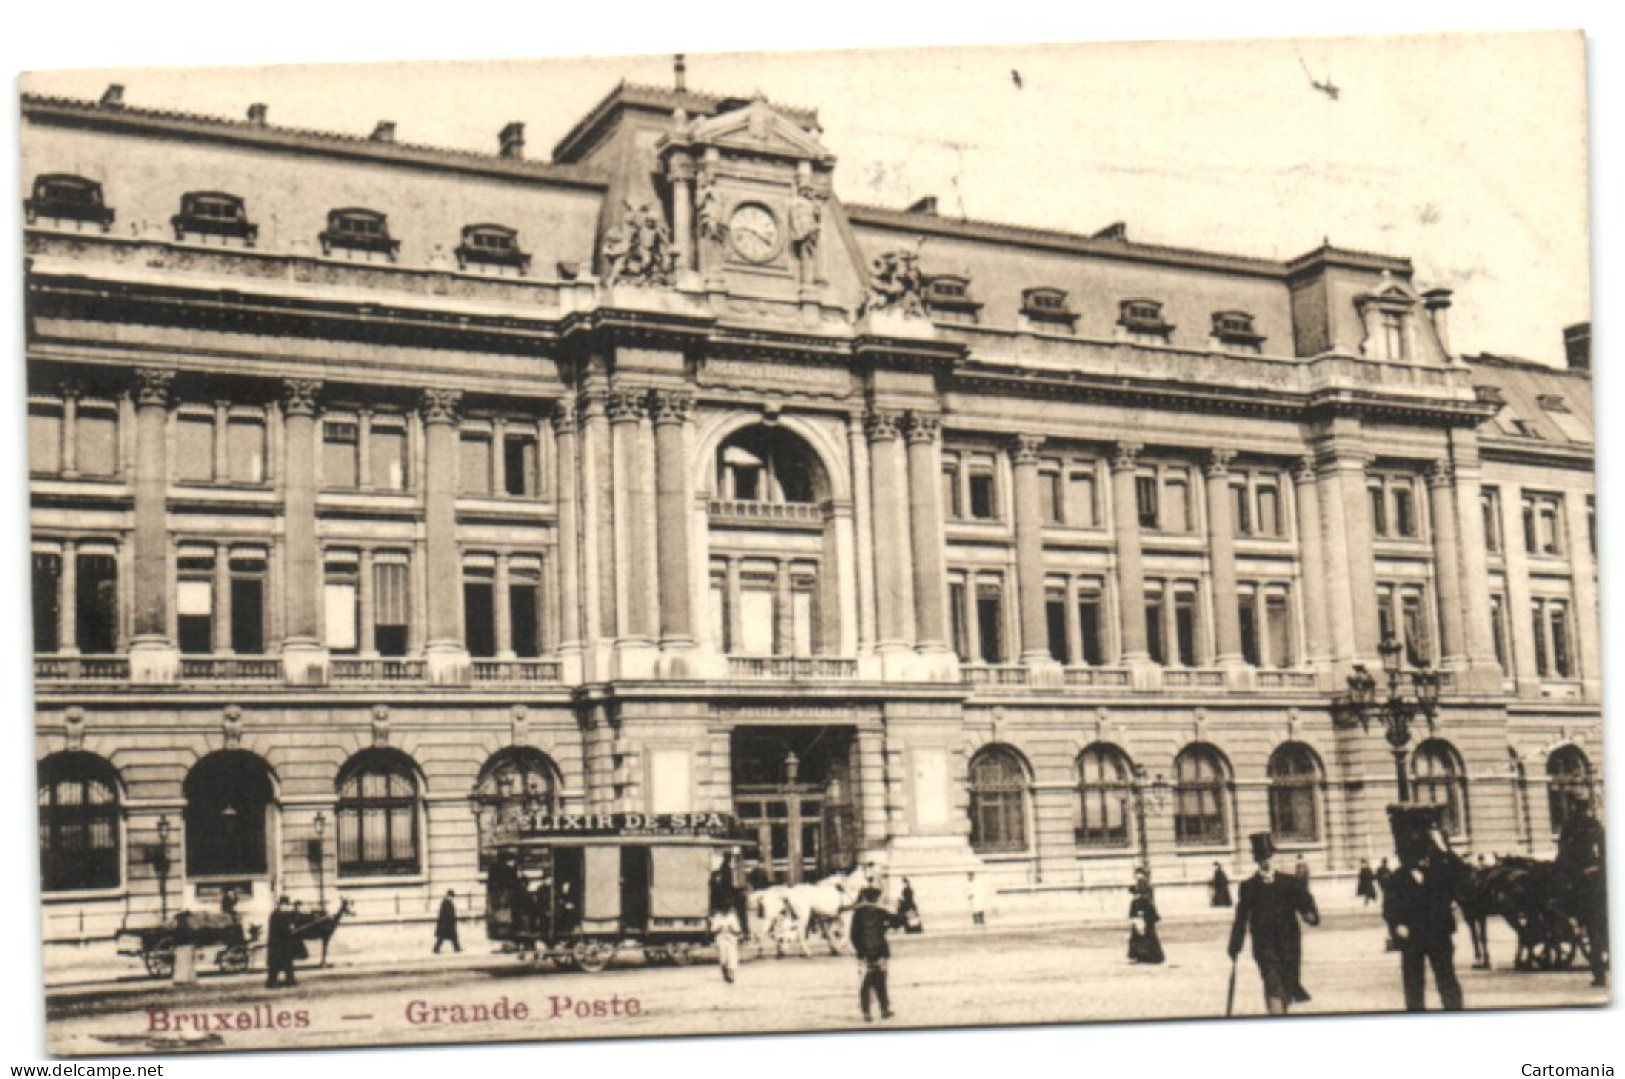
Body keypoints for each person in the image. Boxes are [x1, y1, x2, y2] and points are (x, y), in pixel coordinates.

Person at [1383, 805, 1469, 1011]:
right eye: (1420, 857)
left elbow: (1462, 874)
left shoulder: (1440, 873)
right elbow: (1389, 909)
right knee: (1413, 984)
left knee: (1447, 980)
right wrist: (1397, 926)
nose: (1424, 860)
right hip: (1412, 937)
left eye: (1426, 856)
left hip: (1439, 934)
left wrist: (1445, 848)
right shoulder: (1397, 879)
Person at [1228, 833, 1319, 1015]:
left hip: (1289, 946)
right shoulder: (1249, 886)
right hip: (1264, 947)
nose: (1265, 861)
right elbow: (1241, 918)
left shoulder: (1289, 882)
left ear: (1273, 857)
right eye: (1261, 858)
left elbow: (1307, 911)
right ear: (1256, 860)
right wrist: (1235, 945)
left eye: (1268, 856)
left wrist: (1309, 907)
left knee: (1286, 985)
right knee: (1272, 983)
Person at [850, 886, 904, 1021]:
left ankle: (866, 1012)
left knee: (865, 982)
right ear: (876, 898)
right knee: (881, 981)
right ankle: (884, 1009)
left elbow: (853, 935)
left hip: (864, 952)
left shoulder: (857, 913)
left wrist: (859, 950)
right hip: (880, 951)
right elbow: (898, 922)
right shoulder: (881, 912)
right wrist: (898, 910)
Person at [1127, 875, 1165, 964]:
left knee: (1148, 939)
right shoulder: (1135, 902)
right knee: (1138, 940)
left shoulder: (1145, 901)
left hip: (1147, 923)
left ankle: (1151, 956)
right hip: (1140, 922)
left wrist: (1145, 919)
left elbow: (1152, 913)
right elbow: (1132, 914)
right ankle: (1140, 956)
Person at [265, 897, 298, 989]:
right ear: (281, 905)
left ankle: (289, 980)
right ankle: (272, 982)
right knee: (277, 964)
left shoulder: (278, 914)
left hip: (281, 944)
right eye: (286, 905)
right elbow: (283, 929)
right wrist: (290, 928)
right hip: (278, 945)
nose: (287, 907)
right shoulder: (277, 915)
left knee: (286, 963)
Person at [710, 903, 742, 983]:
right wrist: (720, 928)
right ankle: (725, 974)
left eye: (726, 910)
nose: (725, 912)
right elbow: (713, 930)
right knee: (723, 958)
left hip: (731, 938)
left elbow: (737, 929)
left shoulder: (732, 917)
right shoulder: (717, 917)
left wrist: (731, 929)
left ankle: (731, 975)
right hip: (721, 938)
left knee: (732, 957)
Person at [435, 890, 461, 954]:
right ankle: (436, 949)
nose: (452, 898)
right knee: (442, 937)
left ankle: (457, 948)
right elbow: (444, 914)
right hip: (446, 923)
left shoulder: (447, 902)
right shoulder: (445, 902)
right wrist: (444, 923)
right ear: (448, 895)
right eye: (452, 896)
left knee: (453, 936)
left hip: (449, 923)